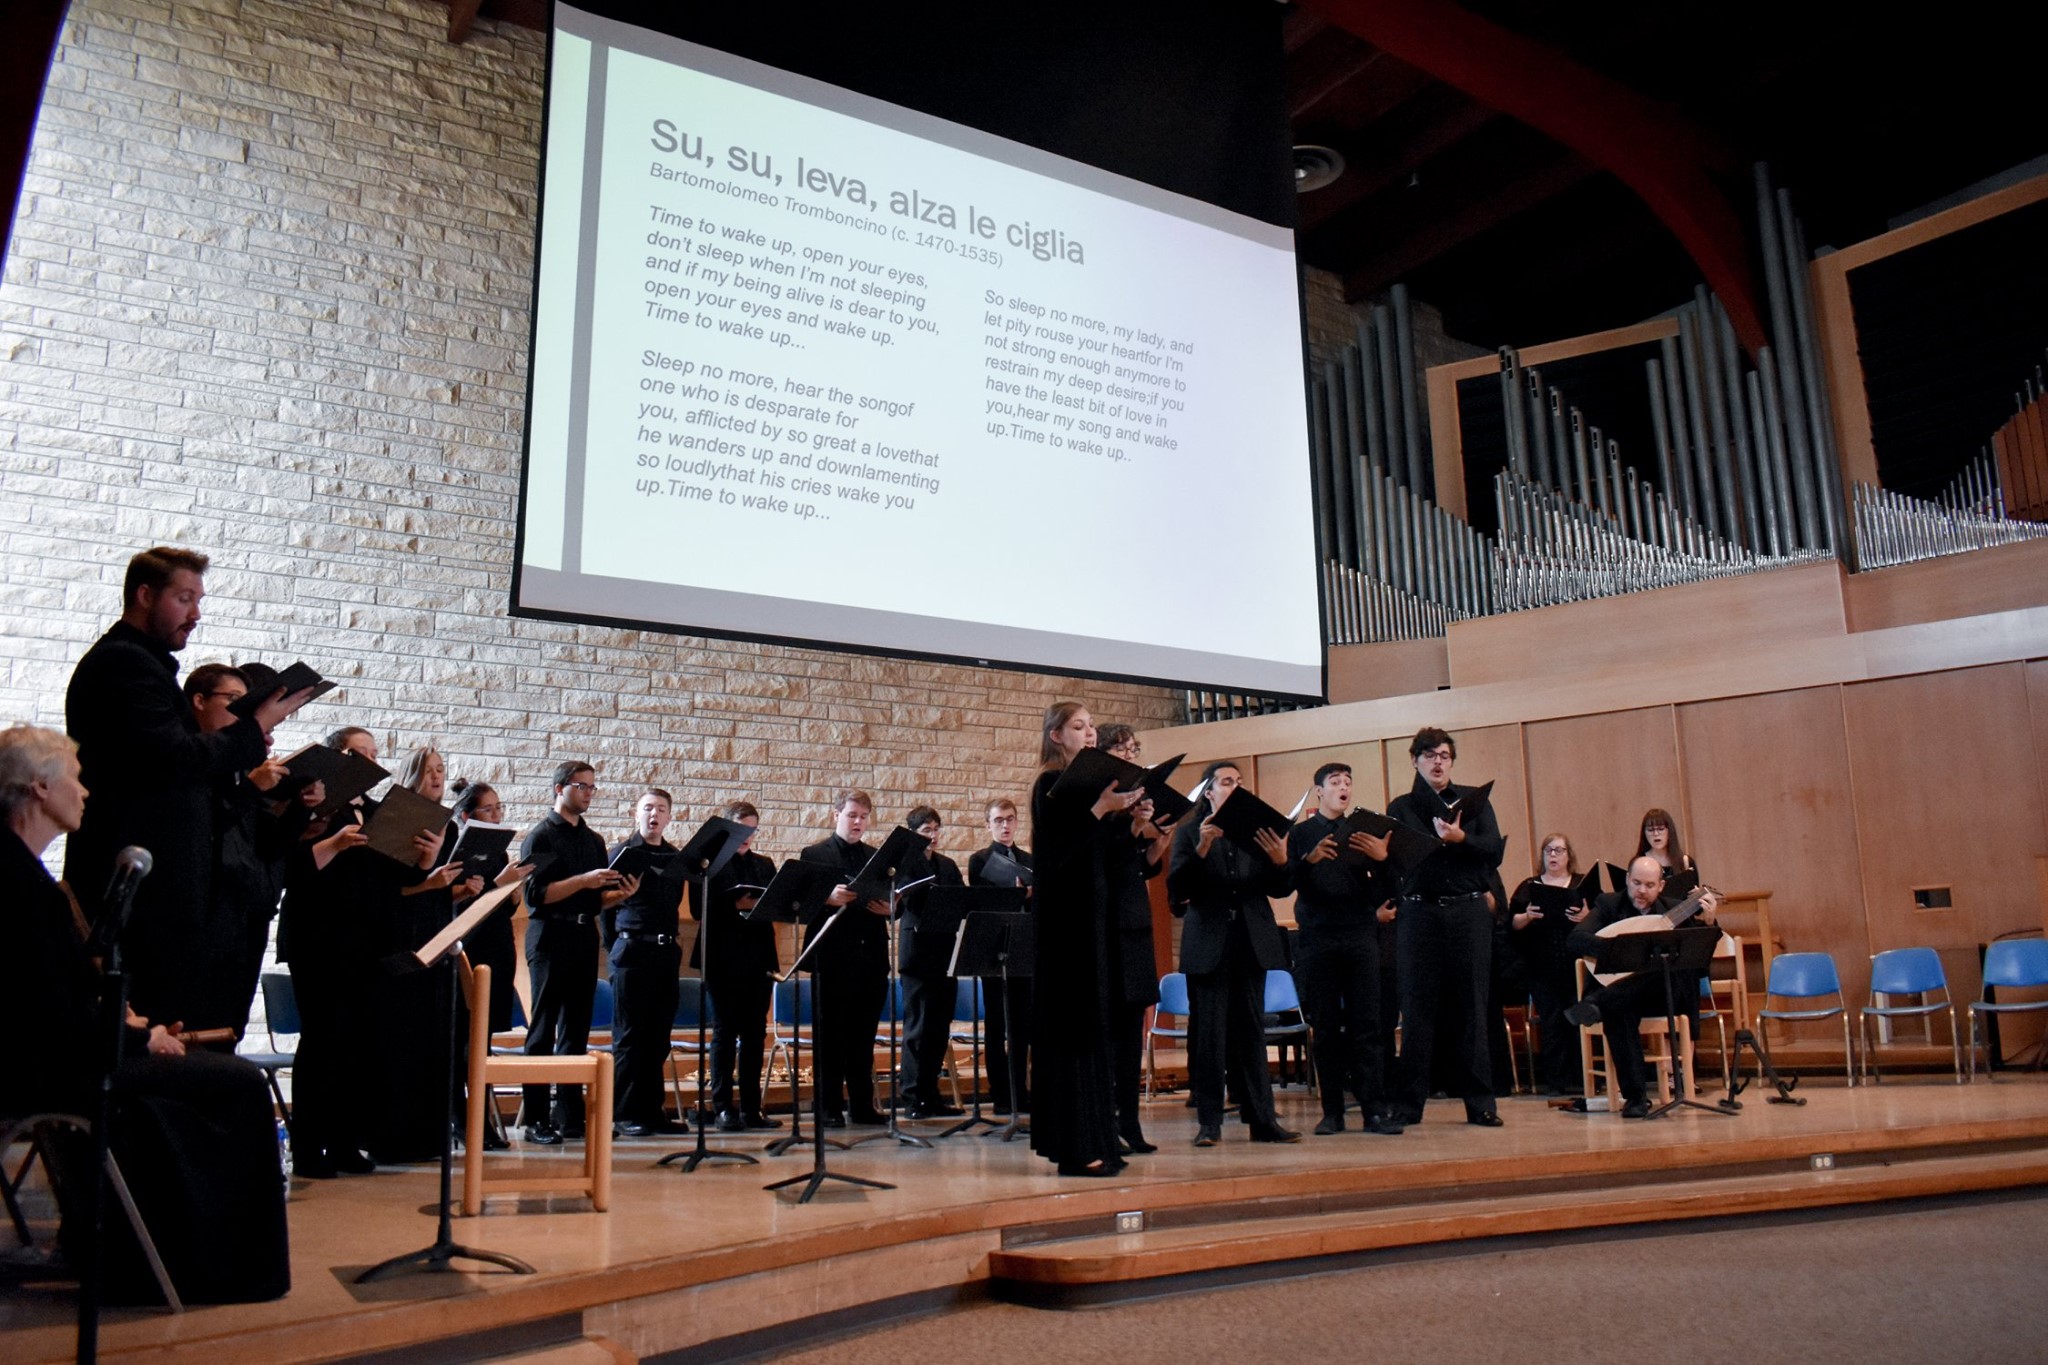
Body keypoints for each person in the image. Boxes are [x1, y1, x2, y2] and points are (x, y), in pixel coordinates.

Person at [0, 723, 290, 1304]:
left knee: (211, 1077)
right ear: (38, 787)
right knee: (236, 1083)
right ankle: (209, 1268)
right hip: (48, 1072)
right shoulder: (17, 887)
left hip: (59, 1055)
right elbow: (41, 1015)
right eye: (76, 781)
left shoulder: (20, 874)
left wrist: (133, 1028)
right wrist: (136, 1039)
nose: (85, 793)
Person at [64, 546, 315, 1029]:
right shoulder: (124, 665)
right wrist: (253, 726)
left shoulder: (145, 666)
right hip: (142, 895)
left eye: (198, 600)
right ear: (144, 595)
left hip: (170, 898)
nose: (196, 614)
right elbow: (173, 761)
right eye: (184, 599)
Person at [1029, 702, 1139, 1176]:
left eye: (1092, 725)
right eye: (1079, 726)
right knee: (1073, 1027)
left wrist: (1131, 821)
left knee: (1094, 1027)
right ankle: (1076, 1147)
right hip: (1064, 923)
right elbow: (1056, 853)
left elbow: (1104, 856)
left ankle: (1098, 1138)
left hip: (1092, 917)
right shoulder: (1050, 784)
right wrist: (1101, 809)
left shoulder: (1093, 787)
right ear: (1056, 736)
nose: (1090, 733)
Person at [1166, 760, 1300, 1147]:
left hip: (1250, 941)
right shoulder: (1192, 830)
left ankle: (1263, 1121)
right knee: (1210, 1036)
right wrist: (1202, 849)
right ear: (1209, 792)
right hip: (1209, 944)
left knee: (1252, 1034)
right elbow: (1177, 890)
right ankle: (1209, 1123)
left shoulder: (1256, 830)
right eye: (1227, 781)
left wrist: (1279, 861)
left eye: (1239, 781)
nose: (1236, 786)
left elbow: (1279, 888)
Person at [1387, 727, 1507, 1127]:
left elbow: (1493, 851)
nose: (1438, 762)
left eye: (1444, 755)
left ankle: (1480, 1104)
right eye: (1429, 755)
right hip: (1419, 915)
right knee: (1417, 1009)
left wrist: (1460, 839)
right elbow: (1399, 860)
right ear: (1415, 761)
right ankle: (1408, 1106)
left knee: (1472, 1007)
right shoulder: (1401, 806)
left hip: (1467, 913)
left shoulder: (1473, 801)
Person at [183, 661, 308, 1037]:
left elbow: (269, 846)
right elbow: (202, 830)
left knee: (229, 1025)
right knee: (197, 1022)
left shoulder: (243, 766)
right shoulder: (194, 761)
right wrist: (252, 789)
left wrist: (302, 806)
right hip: (208, 910)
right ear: (198, 701)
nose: (240, 712)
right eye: (232, 700)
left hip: (249, 908)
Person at [517, 761, 636, 1146]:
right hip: (550, 936)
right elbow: (536, 897)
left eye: (591, 787)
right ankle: (535, 1118)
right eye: (581, 786)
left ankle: (568, 1117)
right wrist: (584, 880)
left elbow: (595, 897)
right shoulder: (540, 837)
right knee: (543, 1029)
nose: (587, 792)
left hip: (585, 934)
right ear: (559, 789)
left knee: (576, 1031)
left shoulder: (594, 841)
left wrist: (618, 895)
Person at [1286, 762, 1405, 1136]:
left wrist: (1384, 859)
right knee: (1324, 1028)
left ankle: (1373, 1111)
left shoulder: (1363, 830)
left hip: (1359, 934)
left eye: (1348, 782)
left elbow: (1390, 887)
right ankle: (1332, 1112)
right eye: (1335, 782)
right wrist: (1309, 862)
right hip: (1318, 938)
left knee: (1367, 1026)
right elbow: (1286, 882)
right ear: (1319, 791)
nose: (1343, 787)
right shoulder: (1301, 833)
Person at [1564, 856, 1720, 1118]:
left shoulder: (1675, 910)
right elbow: (1576, 939)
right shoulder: (1609, 904)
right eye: (1636, 883)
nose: (1641, 891)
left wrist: (1708, 921)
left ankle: (1597, 1004)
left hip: (1661, 997)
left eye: (1649, 885)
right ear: (1627, 880)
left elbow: (1699, 964)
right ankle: (1636, 1098)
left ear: (1661, 886)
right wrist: (1621, 949)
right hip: (1621, 995)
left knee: (1661, 970)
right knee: (1620, 1008)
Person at [797, 789, 892, 1127]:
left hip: (871, 957)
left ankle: (862, 1107)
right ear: (835, 815)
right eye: (852, 815)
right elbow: (800, 904)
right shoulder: (814, 854)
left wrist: (892, 908)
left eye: (863, 817)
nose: (857, 822)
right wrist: (827, 898)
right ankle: (828, 1107)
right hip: (832, 958)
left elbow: (891, 898)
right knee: (830, 1036)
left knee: (863, 1037)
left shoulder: (875, 856)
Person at [1097, 725, 1170, 1154]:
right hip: (1106, 928)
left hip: (1135, 926)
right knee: (1107, 1035)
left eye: (1134, 749)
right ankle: (1107, 1121)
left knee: (1129, 1034)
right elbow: (1098, 863)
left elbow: (1138, 868)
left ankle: (1131, 1121)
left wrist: (1156, 842)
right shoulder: (1100, 805)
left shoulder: (1130, 808)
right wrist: (1132, 827)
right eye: (1123, 749)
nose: (1130, 755)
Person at [693, 800, 781, 1130]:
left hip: (757, 956)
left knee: (756, 1033)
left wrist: (760, 903)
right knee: (725, 1031)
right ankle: (722, 1107)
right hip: (721, 956)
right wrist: (734, 903)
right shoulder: (709, 863)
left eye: (752, 829)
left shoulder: (764, 864)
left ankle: (750, 1108)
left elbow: (776, 904)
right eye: (742, 828)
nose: (748, 835)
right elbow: (698, 908)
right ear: (728, 828)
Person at [606, 788, 688, 1137]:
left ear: (669, 817)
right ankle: (624, 1114)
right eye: (648, 808)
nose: (654, 815)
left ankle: (653, 1111)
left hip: (665, 952)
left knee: (658, 1037)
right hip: (631, 951)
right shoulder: (621, 853)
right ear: (635, 814)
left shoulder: (676, 857)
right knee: (630, 1036)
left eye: (661, 809)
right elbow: (604, 909)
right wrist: (616, 946)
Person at [1507, 833, 1593, 1095]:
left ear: (1569, 856)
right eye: (1549, 851)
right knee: (1553, 1021)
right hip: (1542, 966)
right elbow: (1511, 924)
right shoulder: (1529, 886)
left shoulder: (1582, 884)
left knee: (1580, 1017)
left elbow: (1601, 920)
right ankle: (1556, 1081)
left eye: (1559, 851)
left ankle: (1584, 1079)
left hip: (1577, 965)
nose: (1553, 856)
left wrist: (1587, 917)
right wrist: (1527, 916)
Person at [897, 804, 967, 1120]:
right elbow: (905, 902)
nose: (933, 836)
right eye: (926, 831)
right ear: (913, 834)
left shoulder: (948, 865)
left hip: (945, 952)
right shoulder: (904, 865)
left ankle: (931, 1094)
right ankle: (912, 1097)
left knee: (939, 1027)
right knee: (918, 1028)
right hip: (917, 954)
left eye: (936, 830)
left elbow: (963, 901)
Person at [966, 796, 1032, 1114]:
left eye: (1010, 819)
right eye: (998, 821)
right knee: (996, 1025)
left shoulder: (1029, 859)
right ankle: (1000, 1094)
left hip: (1023, 948)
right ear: (988, 825)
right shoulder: (979, 860)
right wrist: (1014, 892)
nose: (1005, 826)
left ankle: (1020, 1089)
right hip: (992, 951)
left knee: (1021, 1025)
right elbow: (981, 901)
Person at [1635, 808, 1700, 889]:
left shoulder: (1685, 862)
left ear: (1669, 831)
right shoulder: (1638, 862)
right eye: (1650, 830)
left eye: (1661, 829)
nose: (1656, 834)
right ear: (1644, 833)